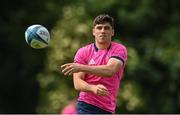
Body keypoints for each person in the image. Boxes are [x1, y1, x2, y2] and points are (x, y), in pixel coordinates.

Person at [58, 14, 128, 114]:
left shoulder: (119, 49)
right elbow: (77, 83)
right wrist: (92, 88)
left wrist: (81, 67)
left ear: (112, 32)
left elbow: (110, 70)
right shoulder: (83, 52)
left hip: (108, 108)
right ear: (93, 32)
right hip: (86, 105)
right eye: (99, 28)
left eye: (106, 28)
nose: (103, 31)